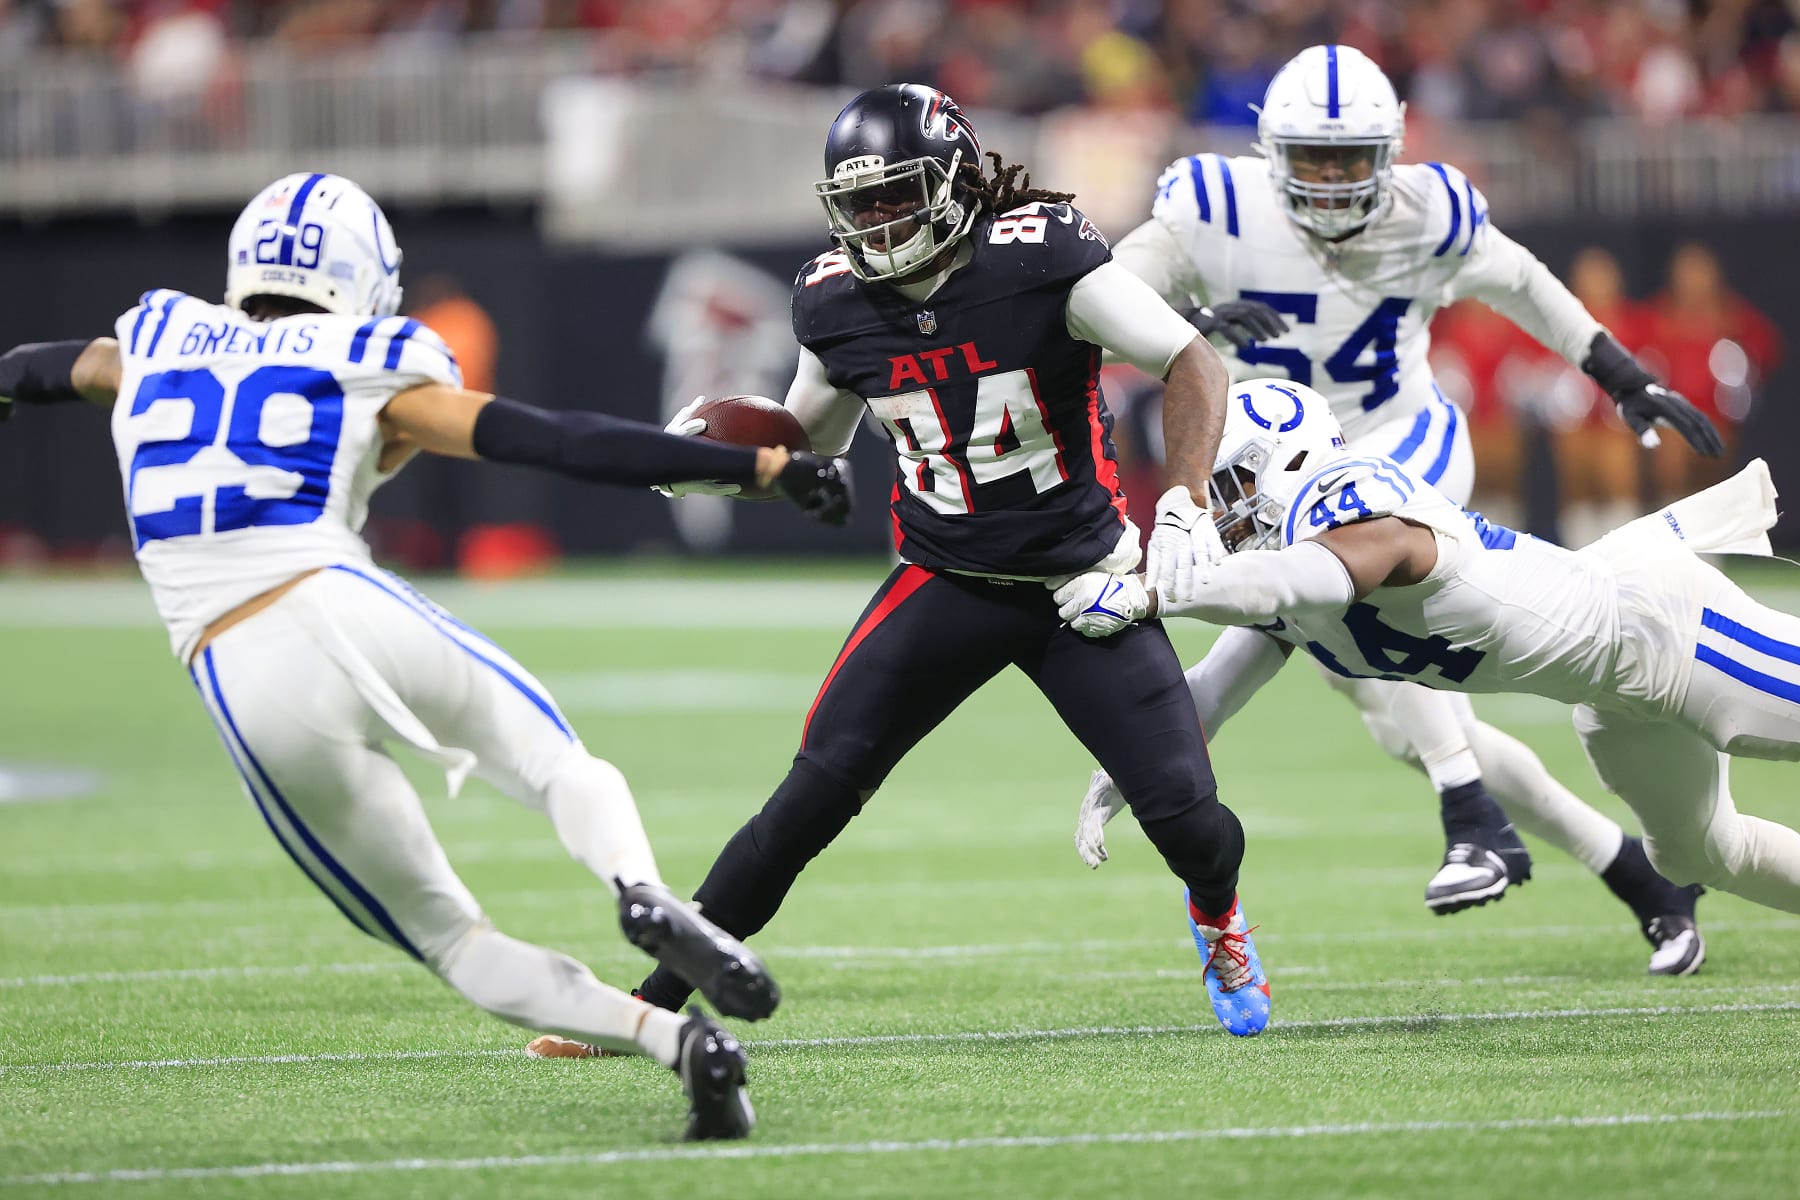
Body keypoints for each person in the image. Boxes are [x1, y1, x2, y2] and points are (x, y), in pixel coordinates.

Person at [0, 172, 853, 1140]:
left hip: (239, 668)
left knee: (456, 941)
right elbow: (553, 440)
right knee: (558, 763)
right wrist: (757, 465)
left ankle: (677, 1045)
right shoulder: (365, 351)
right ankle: (642, 889)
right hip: (340, 596)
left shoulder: (153, 342)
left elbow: (37, 365)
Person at [644, 83, 1272, 1036]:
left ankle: (1219, 916)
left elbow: (1193, 362)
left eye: (898, 194)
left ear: (957, 181)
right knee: (809, 796)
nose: (878, 220)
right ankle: (647, 1002)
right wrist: (727, 464)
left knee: (1186, 816)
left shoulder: (1044, 256)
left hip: (1083, 583)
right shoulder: (833, 302)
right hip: (944, 577)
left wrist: (1180, 503)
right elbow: (810, 438)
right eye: (861, 203)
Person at [1089, 44, 1718, 969]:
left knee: (1332, 599)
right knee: (1404, 719)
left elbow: (1524, 284)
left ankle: (1471, 818)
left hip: (1403, 446)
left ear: (1390, 153)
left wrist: (1618, 375)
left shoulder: (1429, 213)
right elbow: (1102, 292)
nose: (1338, 180)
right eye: (1315, 157)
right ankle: (1635, 876)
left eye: (1354, 158)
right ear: (1270, 150)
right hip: (1274, 475)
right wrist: (1183, 332)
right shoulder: (1215, 208)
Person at [1080, 378, 1800, 924]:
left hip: (1667, 630)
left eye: (1225, 485)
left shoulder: (1346, 498)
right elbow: (1209, 693)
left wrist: (1154, 591)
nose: (1215, 513)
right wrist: (1134, 765)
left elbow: (1305, 577)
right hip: (1612, 696)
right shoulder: (1283, 576)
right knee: (1697, 854)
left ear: (1282, 462)